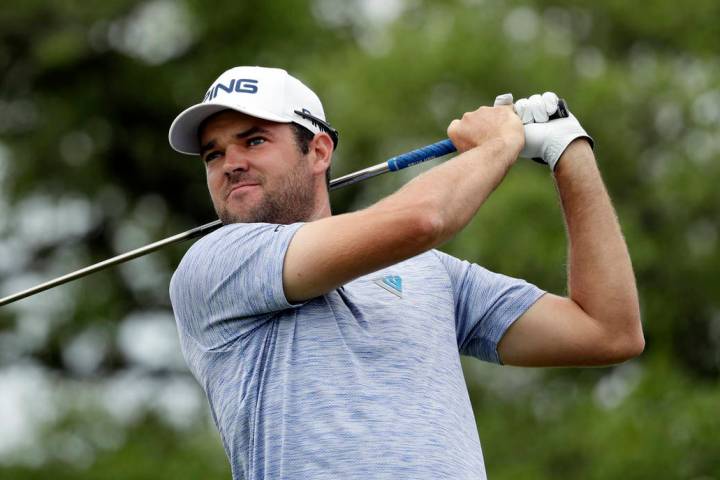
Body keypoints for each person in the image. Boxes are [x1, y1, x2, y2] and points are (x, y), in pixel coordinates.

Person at [167, 66, 644, 480]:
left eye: (253, 140)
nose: (230, 164)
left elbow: (608, 331)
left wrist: (569, 151)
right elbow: (423, 220)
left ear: (318, 151)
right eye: (213, 154)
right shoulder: (214, 265)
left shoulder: (429, 273)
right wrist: (497, 145)